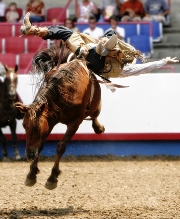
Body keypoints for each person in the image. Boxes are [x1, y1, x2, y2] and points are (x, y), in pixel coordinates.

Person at [20, 12, 178, 80]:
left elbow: (144, 68)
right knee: (64, 31)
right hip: (90, 53)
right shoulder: (123, 63)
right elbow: (145, 67)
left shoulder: (125, 69)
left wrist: (163, 61)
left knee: (98, 44)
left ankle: (96, 49)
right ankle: (32, 29)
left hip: (97, 65)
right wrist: (163, 61)